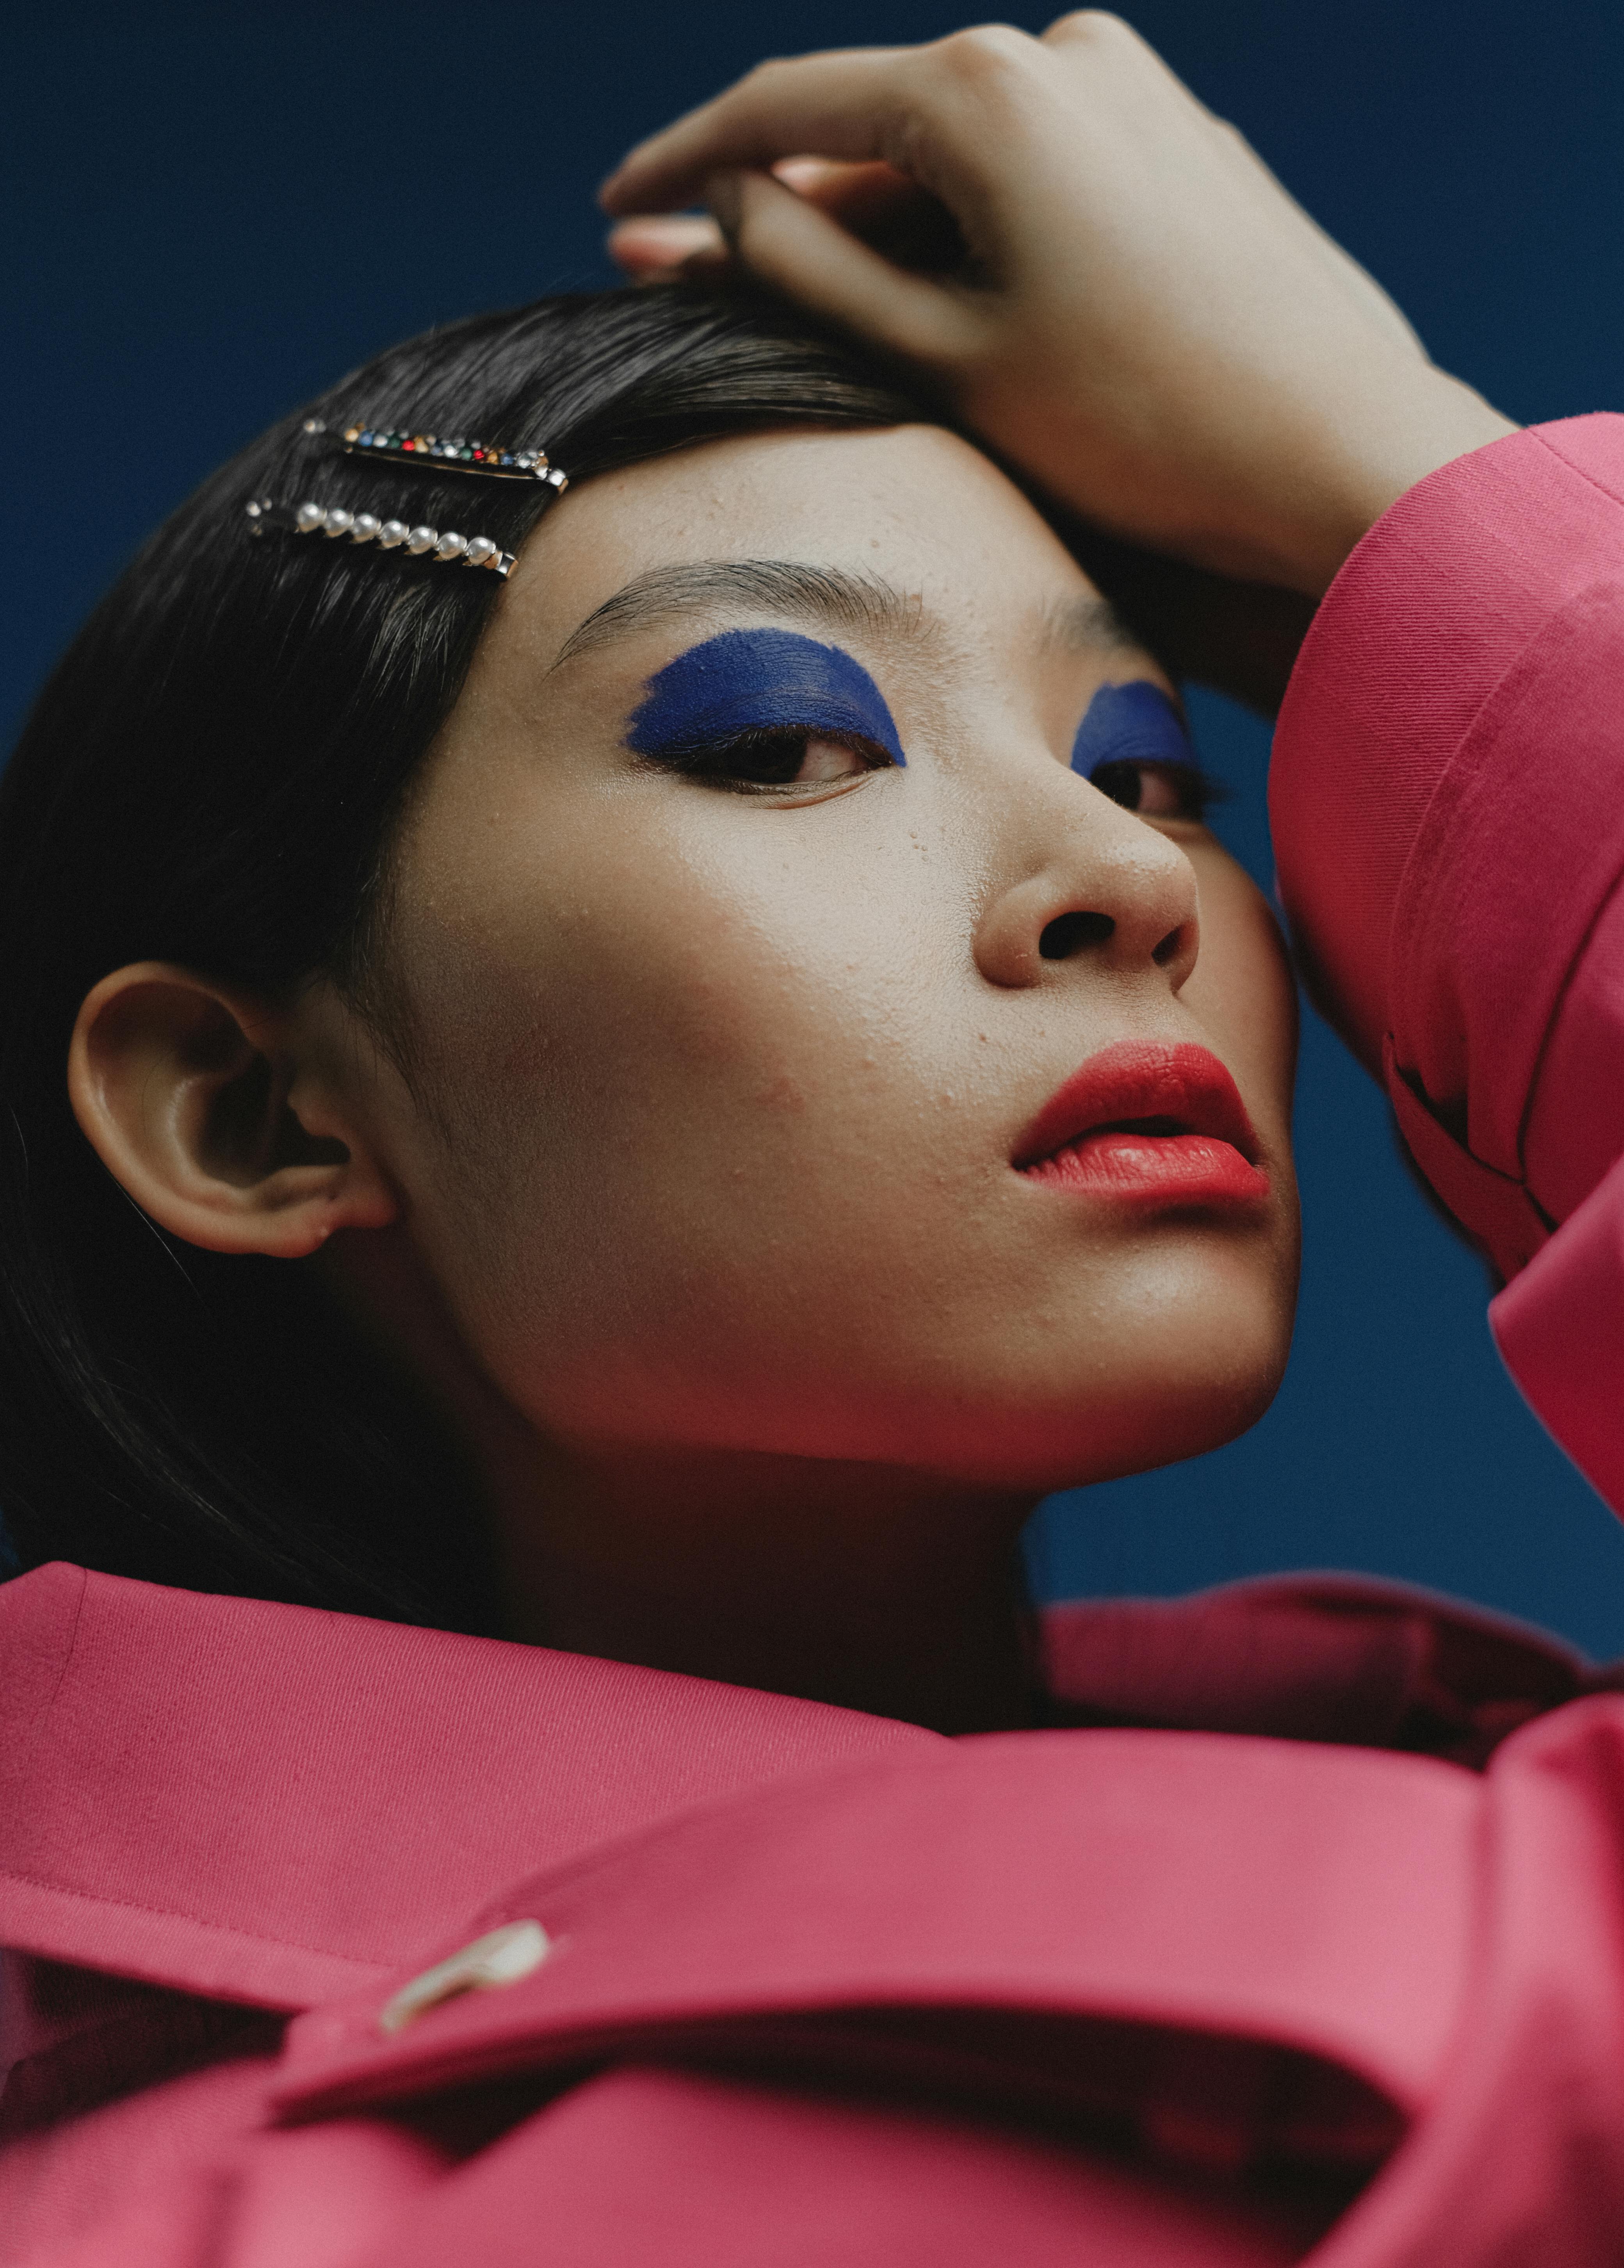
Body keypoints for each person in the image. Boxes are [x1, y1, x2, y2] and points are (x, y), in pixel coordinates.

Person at [4, 13, 1624, 2262]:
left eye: (1155, 766)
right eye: (781, 742)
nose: (1128, 877)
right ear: (252, 1107)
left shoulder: (1432, 1765)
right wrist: (1406, 502)